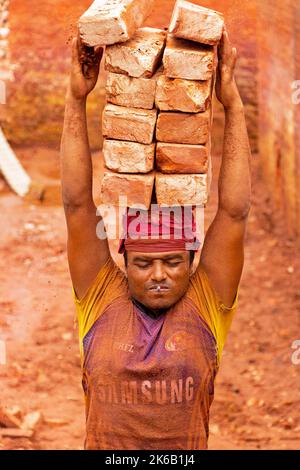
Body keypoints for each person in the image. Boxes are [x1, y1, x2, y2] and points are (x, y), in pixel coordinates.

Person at [60, 27, 252, 450]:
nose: (159, 275)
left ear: (192, 259)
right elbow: (76, 205)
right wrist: (76, 99)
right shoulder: (100, 297)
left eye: (173, 261)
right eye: (144, 264)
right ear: (123, 264)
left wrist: (232, 106)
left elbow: (234, 212)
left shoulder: (206, 302)